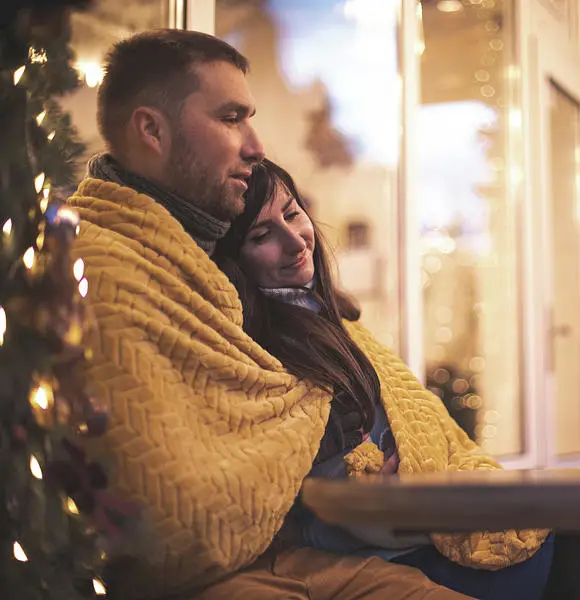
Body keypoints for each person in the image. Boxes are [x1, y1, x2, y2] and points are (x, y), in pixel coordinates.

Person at [67, 29, 547, 600]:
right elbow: (177, 507)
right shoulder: (105, 265)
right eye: (230, 117)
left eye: (294, 216)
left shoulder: (208, 265)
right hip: (326, 543)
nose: (255, 144)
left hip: (382, 523)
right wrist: (362, 509)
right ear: (151, 129)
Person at [211, 159, 554, 599]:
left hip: (419, 518)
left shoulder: (336, 320)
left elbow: (419, 419)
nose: (294, 240)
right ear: (233, 260)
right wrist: (387, 495)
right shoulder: (259, 353)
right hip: (388, 545)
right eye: (261, 236)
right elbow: (309, 505)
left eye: (292, 214)